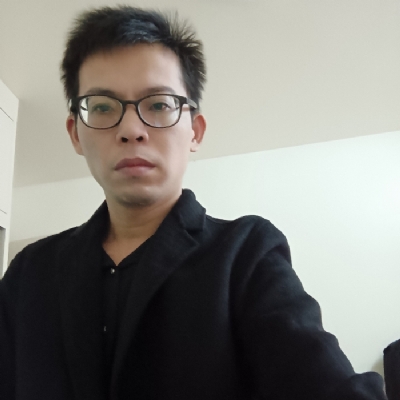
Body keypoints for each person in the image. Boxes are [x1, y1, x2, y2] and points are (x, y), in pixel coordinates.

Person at [0, 6, 387, 400]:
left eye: (158, 105)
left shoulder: (245, 254)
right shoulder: (30, 273)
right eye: (101, 107)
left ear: (195, 132)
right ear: (75, 134)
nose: (131, 129)